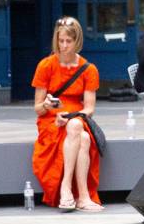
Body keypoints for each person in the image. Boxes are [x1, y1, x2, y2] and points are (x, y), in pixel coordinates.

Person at [33, 16, 102, 212]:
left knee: (76, 126)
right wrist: (46, 105)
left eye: (68, 41)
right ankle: (83, 196)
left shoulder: (89, 69)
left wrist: (72, 116)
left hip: (75, 116)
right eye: (60, 41)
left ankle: (66, 188)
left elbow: (89, 108)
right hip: (50, 120)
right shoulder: (45, 66)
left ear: (77, 41)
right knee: (84, 139)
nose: (64, 46)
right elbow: (37, 108)